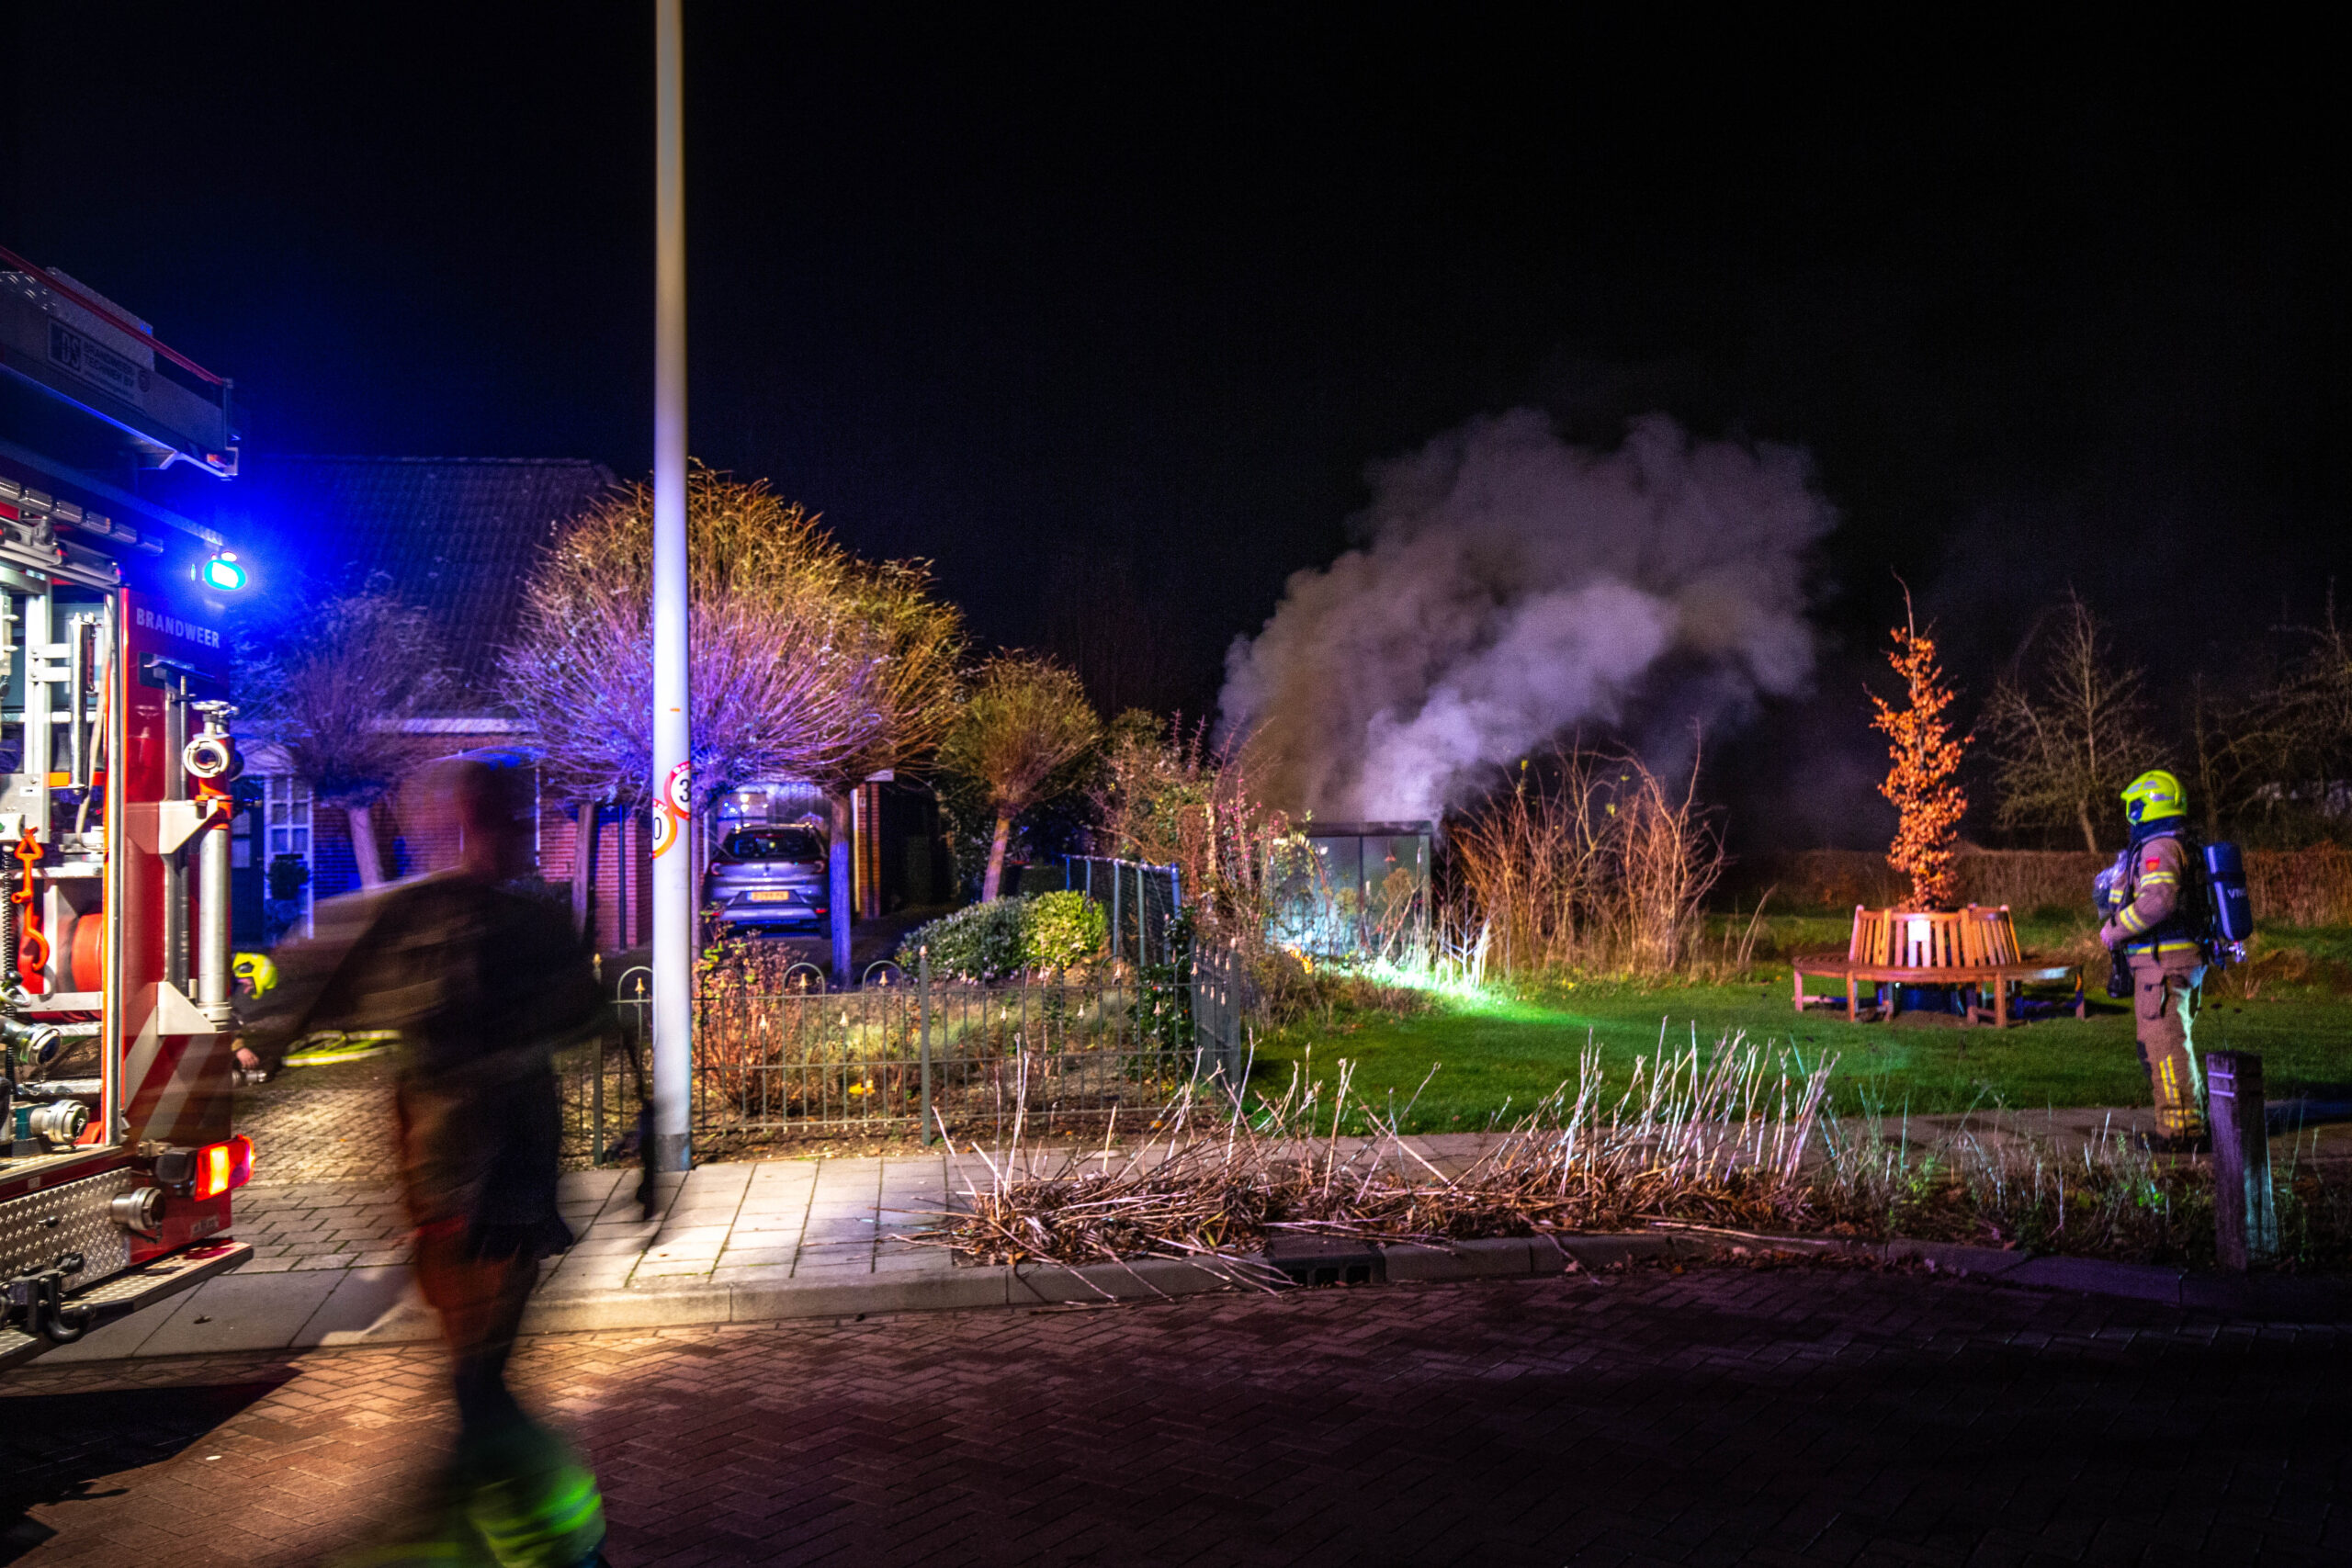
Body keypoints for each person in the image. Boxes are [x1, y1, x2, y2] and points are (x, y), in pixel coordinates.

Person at [242, 753, 610, 1568]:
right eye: (507, 818)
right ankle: (509, 1537)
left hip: (493, 1181)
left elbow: (588, 1016)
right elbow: (315, 986)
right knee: (478, 1372)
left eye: (520, 818)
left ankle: (487, 1536)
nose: (520, 834)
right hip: (458, 1179)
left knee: (479, 1373)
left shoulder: (504, 922)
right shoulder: (428, 918)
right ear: (470, 824)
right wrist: (259, 1047)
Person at [2096, 769, 2207, 1148]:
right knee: (2165, 1043)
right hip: (2169, 962)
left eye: (2133, 808)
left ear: (2145, 806)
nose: (2130, 817)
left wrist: (2114, 930)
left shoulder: (2159, 847)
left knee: (2165, 1045)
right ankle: (2187, 1122)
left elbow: (2158, 902)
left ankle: (2181, 1133)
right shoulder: (2173, 843)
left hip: (2163, 965)